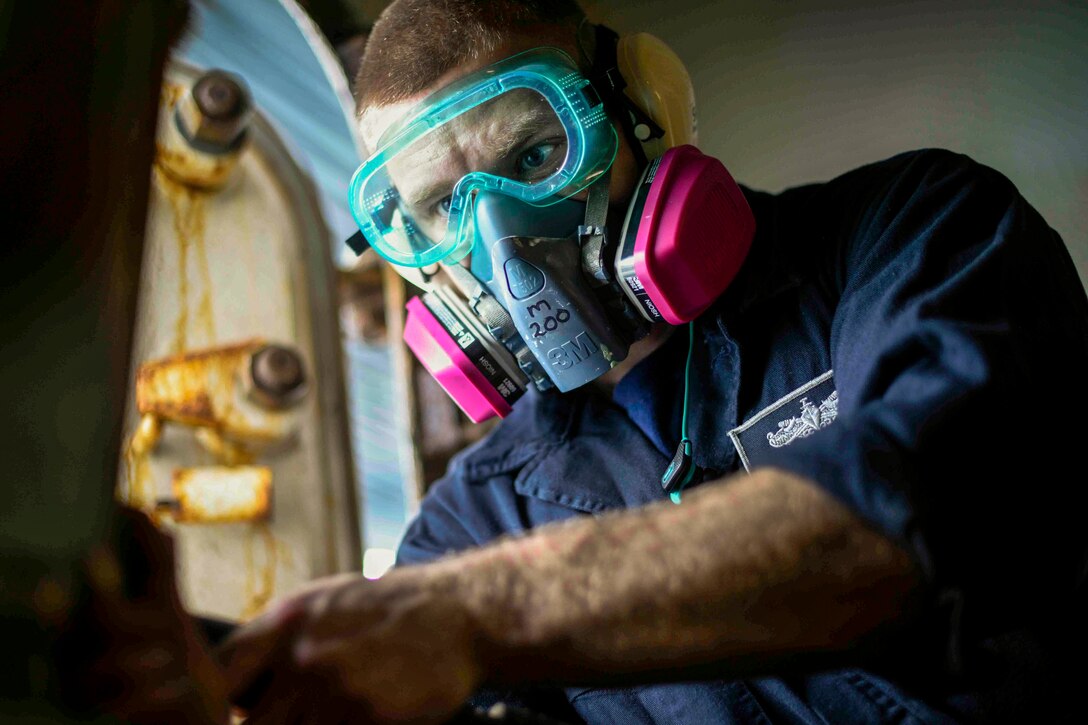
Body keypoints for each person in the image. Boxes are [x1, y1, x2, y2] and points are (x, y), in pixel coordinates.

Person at [221, 1, 1088, 722]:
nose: (501, 236)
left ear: (642, 104)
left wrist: (481, 613)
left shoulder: (915, 232)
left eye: (533, 156)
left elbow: (919, 519)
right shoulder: (474, 520)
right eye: (443, 205)